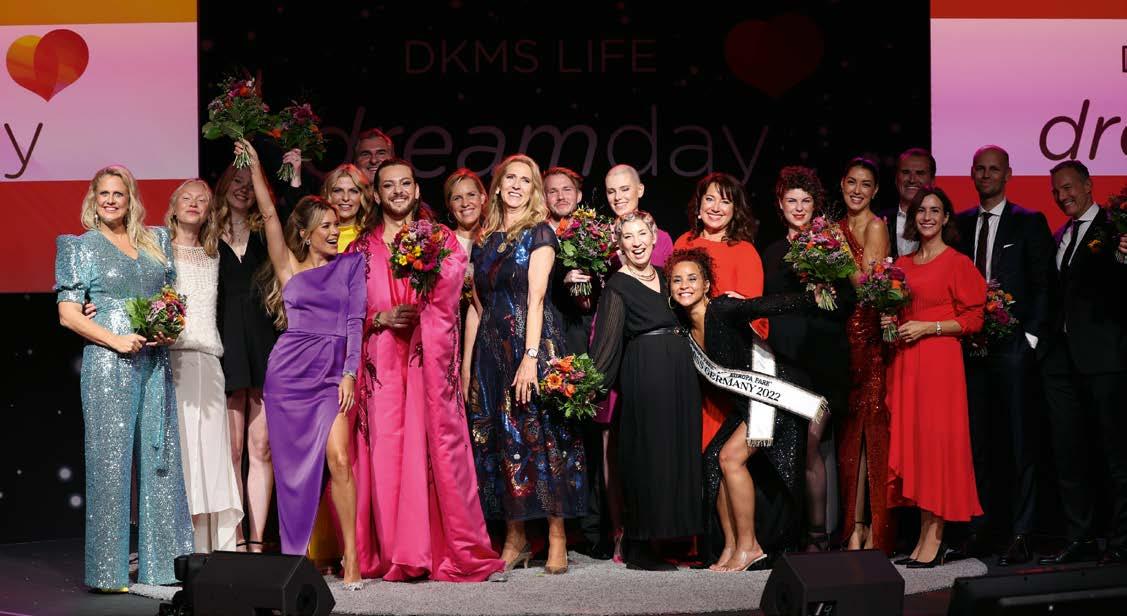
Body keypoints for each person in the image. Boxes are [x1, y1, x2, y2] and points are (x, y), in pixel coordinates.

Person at [348, 158, 504, 582]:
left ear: (417, 191)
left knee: (431, 449)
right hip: (381, 363)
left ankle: (435, 548)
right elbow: (344, 311)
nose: (398, 191)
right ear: (376, 194)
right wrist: (378, 318)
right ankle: (396, 551)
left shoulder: (440, 240)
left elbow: (450, 299)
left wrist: (422, 310)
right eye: (388, 185)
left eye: (405, 184)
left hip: (425, 363)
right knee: (387, 453)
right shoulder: (359, 249)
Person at [55, 165, 193, 590]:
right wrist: (115, 340)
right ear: (93, 200)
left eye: (119, 194)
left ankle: (162, 567)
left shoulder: (156, 241)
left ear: (130, 199)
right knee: (110, 464)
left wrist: (167, 329)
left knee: (159, 456)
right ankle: (107, 573)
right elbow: (68, 315)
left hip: (154, 359)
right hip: (107, 362)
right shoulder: (80, 247)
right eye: (104, 194)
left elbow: (169, 300)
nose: (111, 201)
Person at [239, 139, 365, 589]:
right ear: (307, 233)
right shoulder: (289, 269)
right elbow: (269, 214)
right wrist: (256, 166)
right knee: (290, 467)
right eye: (325, 226)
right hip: (288, 376)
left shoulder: (352, 266)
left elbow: (355, 322)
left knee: (340, 459)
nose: (334, 231)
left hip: (332, 376)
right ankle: (294, 557)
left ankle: (352, 556)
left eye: (336, 225)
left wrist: (349, 372)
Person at [464, 154, 587, 575]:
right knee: (501, 438)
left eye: (526, 180)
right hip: (492, 349)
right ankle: (515, 538)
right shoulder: (482, 239)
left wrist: (531, 358)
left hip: (531, 342)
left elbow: (536, 299)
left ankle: (557, 535)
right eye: (510, 178)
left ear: (534, 190)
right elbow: (478, 306)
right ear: (498, 185)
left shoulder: (540, 233)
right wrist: (469, 367)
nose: (516, 185)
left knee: (544, 437)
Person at [953, 146, 1055, 565]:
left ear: (1008, 174)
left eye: (994, 169)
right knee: (978, 443)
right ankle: (982, 530)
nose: (987, 175)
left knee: (1019, 442)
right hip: (971, 350)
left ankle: (1022, 532)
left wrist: (1030, 338)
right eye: (980, 168)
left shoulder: (1029, 221)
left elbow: (1044, 284)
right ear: (972, 174)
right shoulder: (959, 224)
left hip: (1013, 348)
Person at [588, 212, 702, 571]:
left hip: (679, 373)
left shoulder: (667, 277)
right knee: (648, 456)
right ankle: (638, 545)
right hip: (646, 373)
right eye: (628, 236)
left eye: (642, 234)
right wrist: (589, 387)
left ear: (655, 238)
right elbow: (607, 343)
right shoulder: (617, 286)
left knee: (675, 453)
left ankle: (672, 538)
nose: (636, 242)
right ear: (619, 244)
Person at [884, 185, 985, 568]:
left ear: (945, 218)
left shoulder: (957, 263)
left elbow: (974, 318)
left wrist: (930, 327)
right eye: (921, 210)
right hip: (907, 364)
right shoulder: (902, 265)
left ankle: (936, 537)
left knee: (937, 446)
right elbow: (898, 313)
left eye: (934, 210)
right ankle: (923, 536)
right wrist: (888, 320)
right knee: (917, 446)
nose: (927, 216)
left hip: (940, 364)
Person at [1037, 161, 1127, 566]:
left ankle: (1122, 540)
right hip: (1061, 364)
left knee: (1115, 455)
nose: (1062, 196)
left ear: (1089, 186)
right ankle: (1081, 537)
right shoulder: (1061, 235)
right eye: (1056, 191)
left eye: (1069, 187)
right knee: (1070, 454)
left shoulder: (1114, 228)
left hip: (1105, 360)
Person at [764, 167, 853, 552]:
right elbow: (764, 305)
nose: (799, 208)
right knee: (786, 449)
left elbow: (850, 303)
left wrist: (825, 289)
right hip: (785, 364)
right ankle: (792, 533)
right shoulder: (772, 253)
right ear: (780, 205)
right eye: (792, 201)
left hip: (823, 365)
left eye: (806, 200)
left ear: (815, 205)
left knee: (809, 446)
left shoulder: (830, 247)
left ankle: (818, 536)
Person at [166, 179, 244, 552]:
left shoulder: (215, 254)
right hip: (171, 361)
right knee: (180, 450)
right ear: (173, 206)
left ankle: (213, 546)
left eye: (202, 199)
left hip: (209, 361)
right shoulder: (158, 252)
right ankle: (180, 547)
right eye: (187, 197)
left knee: (212, 451)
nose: (194, 203)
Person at [544, 166, 612, 559]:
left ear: (579, 194)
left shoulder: (593, 232)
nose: (560, 197)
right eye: (552, 191)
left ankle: (595, 529)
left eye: (566, 189)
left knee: (592, 437)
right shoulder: (540, 234)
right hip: (557, 338)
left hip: (592, 338)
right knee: (559, 437)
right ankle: (560, 528)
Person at [673, 172, 766, 453]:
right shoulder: (683, 243)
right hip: (687, 361)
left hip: (726, 368)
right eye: (710, 199)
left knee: (717, 450)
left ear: (735, 209)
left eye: (725, 201)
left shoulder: (745, 251)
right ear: (699, 205)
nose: (715, 207)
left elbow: (757, 317)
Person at [213, 163, 277, 552]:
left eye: (250, 184)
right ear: (223, 186)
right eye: (236, 181)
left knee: (262, 448)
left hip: (265, 345)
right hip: (226, 346)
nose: (243, 189)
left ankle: (257, 540)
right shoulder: (207, 235)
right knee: (232, 451)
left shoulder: (266, 233)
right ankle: (235, 537)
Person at [835, 156, 895, 553]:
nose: (858, 190)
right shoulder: (833, 228)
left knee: (871, 434)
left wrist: (835, 258)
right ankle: (851, 528)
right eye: (852, 182)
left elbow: (868, 288)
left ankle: (875, 528)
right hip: (840, 338)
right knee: (847, 438)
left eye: (866, 184)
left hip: (869, 338)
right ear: (842, 184)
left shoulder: (875, 226)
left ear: (875, 191)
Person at [605, 164, 673, 266]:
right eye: (611, 192)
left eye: (625, 189)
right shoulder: (597, 237)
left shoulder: (662, 239)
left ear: (640, 190)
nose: (617, 197)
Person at [444, 168, 486, 329]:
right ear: (450, 205)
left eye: (471, 195)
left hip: (486, 328)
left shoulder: (496, 241)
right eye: (457, 198)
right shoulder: (441, 244)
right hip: (451, 330)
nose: (465, 203)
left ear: (482, 198)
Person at [878, 148, 935, 259]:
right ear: (896, 178)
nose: (912, 180)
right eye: (905, 172)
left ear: (932, 180)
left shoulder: (942, 225)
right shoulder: (878, 220)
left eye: (920, 173)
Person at [321, 163, 373, 252]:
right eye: (338, 191)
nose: (345, 198)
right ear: (329, 194)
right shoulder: (315, 234)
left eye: (353, 191)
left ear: (362, 196)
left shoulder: (371, 236)